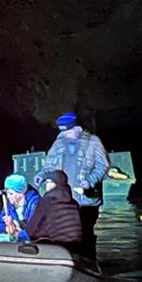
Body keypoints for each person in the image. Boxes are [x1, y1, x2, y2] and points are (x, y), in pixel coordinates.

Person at [42, 112, 109, 262]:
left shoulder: (93, 142)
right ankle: (71, 261)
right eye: (63, 132)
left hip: (87, 200)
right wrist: (43, 174)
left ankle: (90, 261)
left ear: (78, 129)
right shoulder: (59, 143)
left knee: (85, 231)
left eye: (68, 131)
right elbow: (50, 164)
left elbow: (103, 166)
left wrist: (89, 181)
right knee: (68, 231)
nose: (66, 135)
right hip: (66, 199)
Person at [25, 169, 83, 245]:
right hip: (76, 246)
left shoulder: (46, 202)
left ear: (56, 183)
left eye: (48, 182)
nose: (46, 185)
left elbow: (31, 230)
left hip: (57, 246)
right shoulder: (74, 203)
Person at [0, 174, 39, 242]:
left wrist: (16, 226)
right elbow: (0, 225)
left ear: (21, 193)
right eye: (7, 193)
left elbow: (34, 231)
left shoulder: (34, 203)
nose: (8, 196)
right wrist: (7, 227)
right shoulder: (9, 204)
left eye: (11, 193)